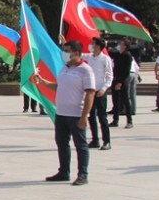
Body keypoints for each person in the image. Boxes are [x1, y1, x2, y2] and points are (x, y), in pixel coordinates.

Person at [33, 40, 95, 185]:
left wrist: (84, 116)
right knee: (62, 143)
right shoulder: (65, 68)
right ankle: (64, 172)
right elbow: (59, 86)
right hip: (61, 113)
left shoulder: (85, 70)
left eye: (67, 51)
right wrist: (43, 82)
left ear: (77, 53)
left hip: (76, 114)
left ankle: (83, 174)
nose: (64, 53)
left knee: (81, 145)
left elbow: (90, 93)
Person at [83, 37, 113, 150]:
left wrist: (104, 88)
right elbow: (77, 54)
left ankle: (107, 141)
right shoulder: (90, 57)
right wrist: (64, 42)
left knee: (102, 117)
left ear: (99, 46)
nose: (91, 45)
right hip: (90, 90)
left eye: (93, 44)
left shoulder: (105, 59)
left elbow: (110, 75)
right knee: (91, 116)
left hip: (100, 91)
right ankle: (95, 140)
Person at [109, 41, 134, 129]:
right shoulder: (117, 55)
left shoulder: (127, 55)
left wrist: (120, 82)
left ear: (125, 46)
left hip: (123, 80)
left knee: (125, 100)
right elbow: (108, 53)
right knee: (115, 101)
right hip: (115, 79)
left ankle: (129, 121)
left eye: (121, 44)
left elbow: (126, 71)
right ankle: (115, 120)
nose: (119, 45)